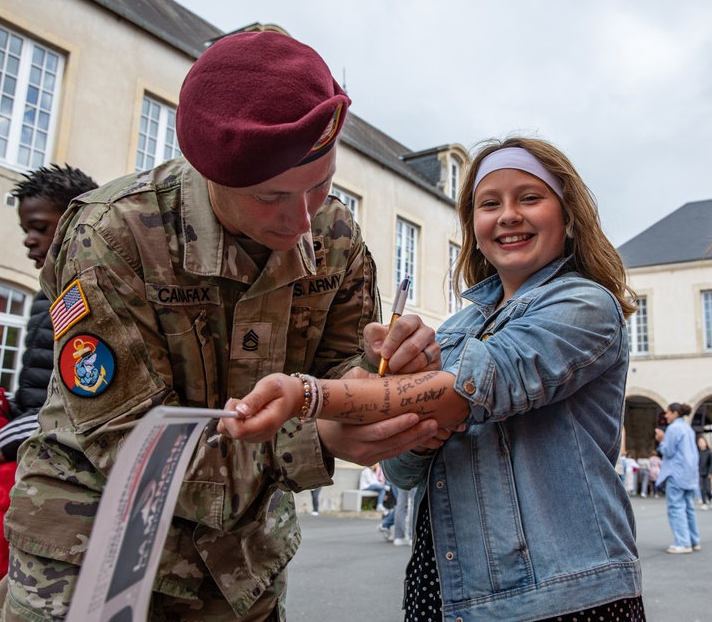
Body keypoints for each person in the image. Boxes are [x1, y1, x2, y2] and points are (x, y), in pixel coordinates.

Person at [0, 30, 441, 622]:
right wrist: (320, 436)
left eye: (322, 184)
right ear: (209, 175)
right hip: (93, 552)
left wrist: (381, 371)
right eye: (270, 196)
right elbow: (130, 443)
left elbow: (336, 378)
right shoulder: (112, 235)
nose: (301, 219)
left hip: (240, 566)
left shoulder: (336, 237)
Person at [224, 136, 645, 620]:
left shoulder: (586, 304)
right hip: (445, 587)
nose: (508, 215)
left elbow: (473, 386)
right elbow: (402, 471)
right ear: (475, 228)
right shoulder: (455, 329)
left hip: (561, 592)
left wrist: (307, 393)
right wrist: (415, 422)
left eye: (529, 198)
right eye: (490, 204)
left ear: (568, 216)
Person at [0, 167, 97, 622]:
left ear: (75, 221)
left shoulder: (96, 289)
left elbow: (90, 400)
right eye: (25, 230)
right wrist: (3, 406)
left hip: (61, 490)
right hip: (27, 466)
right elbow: (46, 382)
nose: (29, 241)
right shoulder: (48, 291)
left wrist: (17, 430)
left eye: (39, 228)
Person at [655, 403, 701, 554]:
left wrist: (661, 440)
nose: (666, 416)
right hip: (689, 472)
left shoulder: (673, 428)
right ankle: (694, 540)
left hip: (676, 471)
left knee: (676, 508)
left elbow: (668, 451)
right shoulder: (687, 428)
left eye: (668, 413)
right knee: (688, 507)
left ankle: (682, 542)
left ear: (675, 413)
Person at [696, 435, 712, 509]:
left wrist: (710, 472)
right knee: (701, 488)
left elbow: (711, 464)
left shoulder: (709, 453)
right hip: (699, 472)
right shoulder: (696, 452)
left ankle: (710, 499)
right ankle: (704, 502)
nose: (701, 443)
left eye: (702, 442)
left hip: (707, 472)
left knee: (708, 489)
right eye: (699, 442)